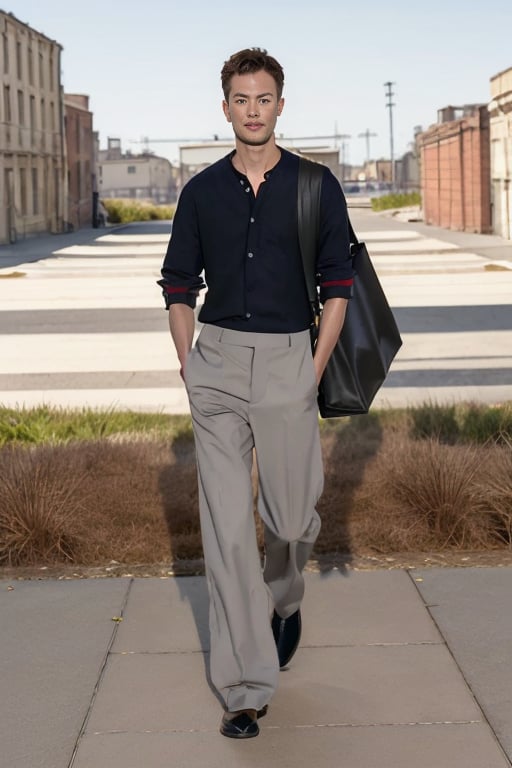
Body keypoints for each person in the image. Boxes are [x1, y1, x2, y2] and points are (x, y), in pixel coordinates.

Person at [158, 47, 353, 739]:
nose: (252, 109)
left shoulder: (314, 184)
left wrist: (310, 367)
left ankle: (285, 598)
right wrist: (190, 364)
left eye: (263, 98)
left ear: (279, 104)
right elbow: (178, 284)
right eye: (241, 99)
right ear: (225, 107)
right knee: (229, 533)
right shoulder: (202, 191)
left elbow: (339, 285)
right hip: (216, 364)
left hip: (287, 363)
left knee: (293, 521)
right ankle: (245, 688)